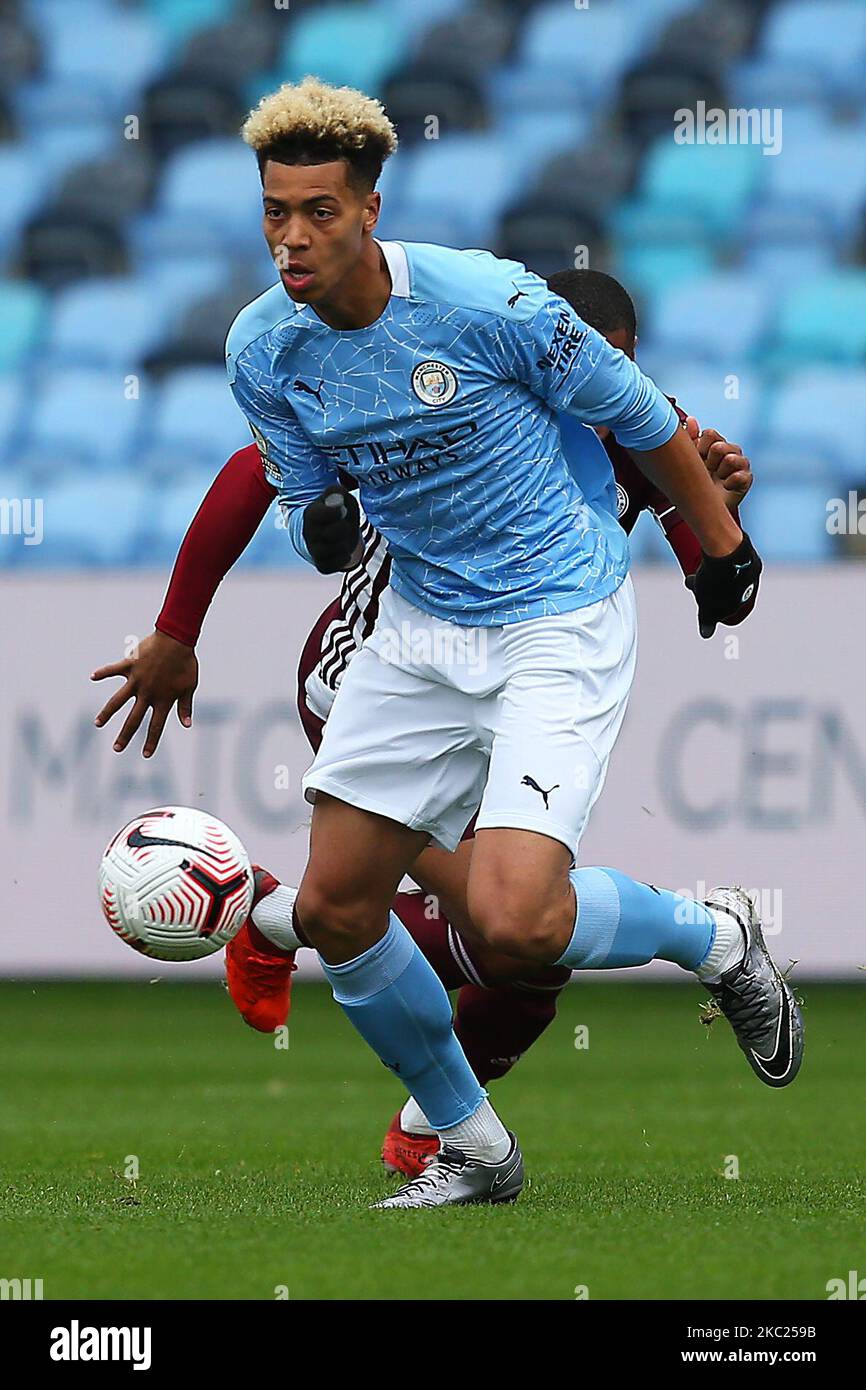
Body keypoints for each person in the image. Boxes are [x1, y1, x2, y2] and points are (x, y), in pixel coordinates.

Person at [94, 78, 800, 1209]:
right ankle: (469, 1144)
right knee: (337, 910)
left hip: (551, 620)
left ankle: (713, 936)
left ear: (371, 209)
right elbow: (291, 486)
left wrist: (715, 544)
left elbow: (635, 410)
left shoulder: (488, 304)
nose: (291, 237)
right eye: (274, 211)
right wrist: (287, 537)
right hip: (415, 631)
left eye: (318, 210)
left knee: (513, 924)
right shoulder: (261, 348)